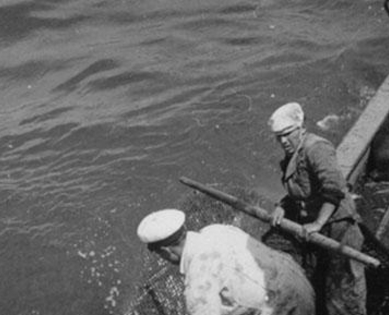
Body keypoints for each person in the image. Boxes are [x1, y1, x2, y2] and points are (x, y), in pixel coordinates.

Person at [262, 102, 366, 315]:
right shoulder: (291, 157)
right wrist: (283, 206)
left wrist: (318, 223)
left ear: (300, 128)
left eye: (287, 134)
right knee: (317, 284)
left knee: (343, 293)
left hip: (338, 228)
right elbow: (302, 191)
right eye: (278, 137)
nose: (283, 141)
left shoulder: (316, 148)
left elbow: (334, 189)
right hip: (314, 229)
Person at [137, 208, 315, 315]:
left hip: (287, 308)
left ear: (164, 251)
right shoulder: (215, 230)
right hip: (301, 285)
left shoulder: (198, 280)